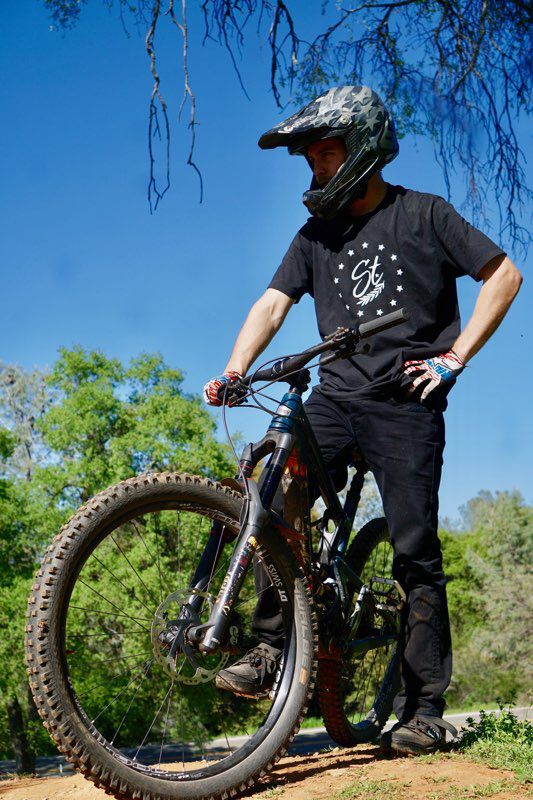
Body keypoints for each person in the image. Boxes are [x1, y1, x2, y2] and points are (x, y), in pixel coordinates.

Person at [203, 86, 522, 755]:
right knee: (270, 488)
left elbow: (503, 275)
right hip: (336, 397)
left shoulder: (424, 214)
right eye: (310, 159)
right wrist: (235, 369)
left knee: (414, 551)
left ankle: (423, 709)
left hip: (405, 402)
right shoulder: (315, 235)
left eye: (324, 154)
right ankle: (271, 646)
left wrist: (454, 358)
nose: (315, 168)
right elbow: (272, 303)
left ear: (362, 148)